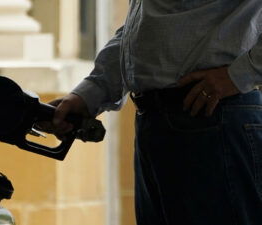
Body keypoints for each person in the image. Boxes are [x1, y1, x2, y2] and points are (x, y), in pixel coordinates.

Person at [45, 0, 262, 224]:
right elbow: (138, 30)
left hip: (214, 118)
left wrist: (238, 76)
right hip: (156, 122)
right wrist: (88, 95)